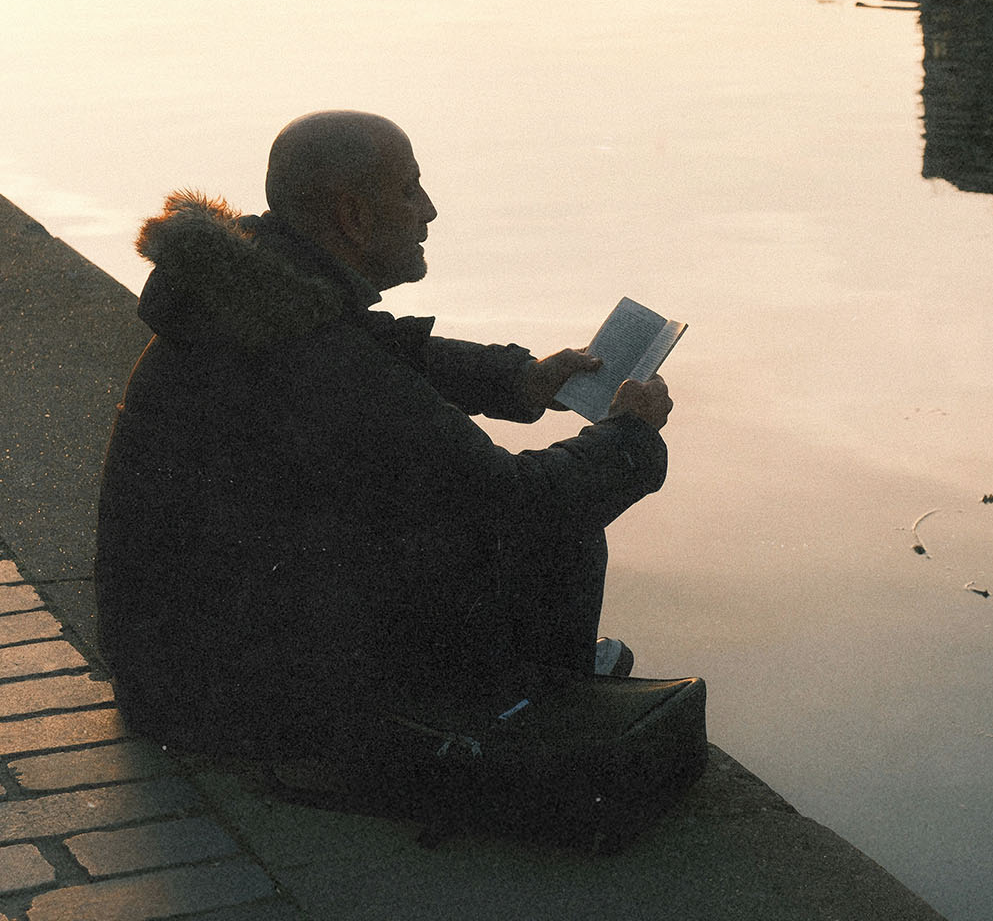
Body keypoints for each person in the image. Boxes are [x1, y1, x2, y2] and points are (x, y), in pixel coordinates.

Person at [95, 111, 675, 760]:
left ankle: (522, 685)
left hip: (176, 665)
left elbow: (382, 348)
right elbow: (519, 506)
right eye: (410, 190)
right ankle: (533, 712)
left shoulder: (251, 298)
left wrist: (520, 381)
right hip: (233, 701)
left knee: (445, 517)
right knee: (553, 533)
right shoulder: (311, 358)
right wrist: (630, 436)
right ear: (355, 217)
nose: (428, 210)